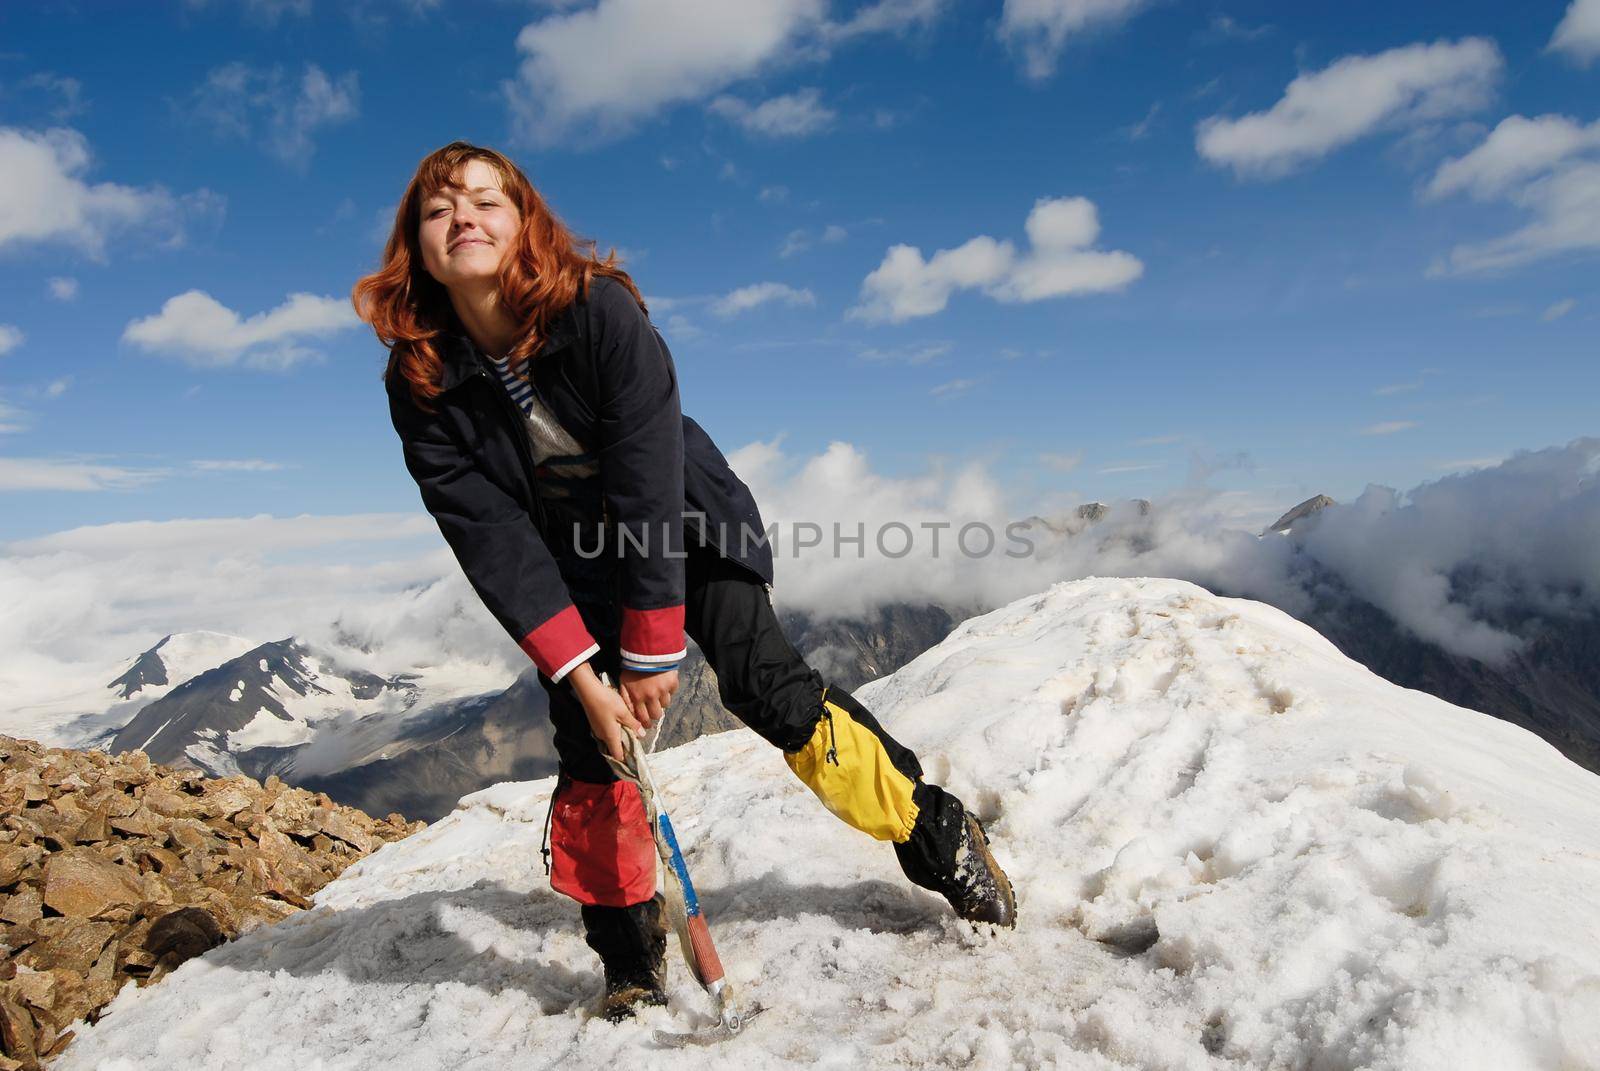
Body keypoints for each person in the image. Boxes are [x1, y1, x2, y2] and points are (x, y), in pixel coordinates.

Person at [352, 141, 1015, 1022]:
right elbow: (490, 536)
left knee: (769, 688)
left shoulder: (598, 314)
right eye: (440, 210)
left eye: (486, 200)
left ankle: (940, 836)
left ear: (525, 225)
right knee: (597, 759)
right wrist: (585, 679)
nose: (464, 217)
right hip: (567, 564)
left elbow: (646, 480)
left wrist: (651, 647)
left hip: (685, 524)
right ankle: (628, 957)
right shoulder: (421, 378)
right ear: (417, 245)